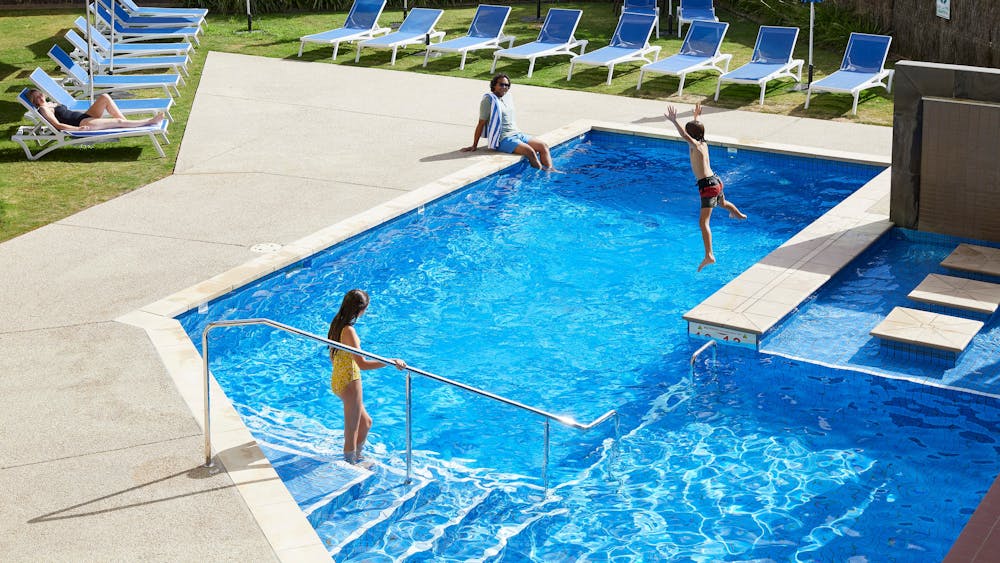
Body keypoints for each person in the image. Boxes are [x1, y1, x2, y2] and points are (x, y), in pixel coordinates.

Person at [327, 289, 406, 465]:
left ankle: (357, 456)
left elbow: (333, 355)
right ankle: (351, 463)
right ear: (359, 309)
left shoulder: (336, 323)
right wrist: (390, 362)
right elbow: (362, 364)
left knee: (366, 423)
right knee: (352, 430)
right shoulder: (349, 331)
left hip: (339, 378)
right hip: (350, 382)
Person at [665, 103, 747, 272]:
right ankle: (739, 215)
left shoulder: (694, 145)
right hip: (716, 181)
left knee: (703, 222)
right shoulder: (703, 143)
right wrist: (696, 117)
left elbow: (685, 135)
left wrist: (674, 121)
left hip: (708, 187)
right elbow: (697, 130)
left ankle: (709, 254)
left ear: (692, 135)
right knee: (723, 204)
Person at [461, 73, 554, 170]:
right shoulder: (488, 101)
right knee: (530, 152)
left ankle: (549, 171)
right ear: (494, 85)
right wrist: (474, 145)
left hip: (517, 134)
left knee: (543, 146)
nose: (504, 87)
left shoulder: (507, 97)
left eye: (507, 85)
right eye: (501, 84)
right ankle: (540, 176)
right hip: (503, 139)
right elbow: (481, 123)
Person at [26, 89, 165, 132]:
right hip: (82, 123)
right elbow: (58, 126)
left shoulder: (50, 103)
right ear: (34, 102)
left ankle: (126, 123)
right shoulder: (44, 109)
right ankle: (149, 122)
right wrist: (77, 130)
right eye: (36, 98)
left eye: (39, 94)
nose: (39, 98)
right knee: (117, 121)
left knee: (104, 97)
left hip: (85, 116)